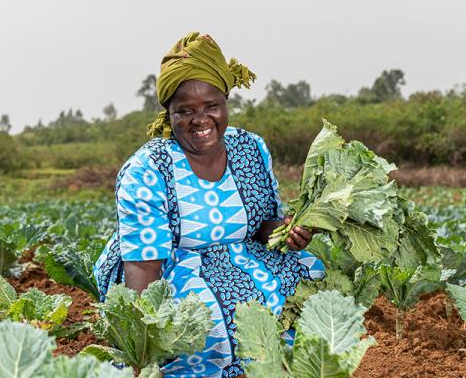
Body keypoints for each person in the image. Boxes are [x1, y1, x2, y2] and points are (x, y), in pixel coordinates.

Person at [94, 32, 324, 378]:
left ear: (226, 103)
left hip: (240, 256)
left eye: (211, 107)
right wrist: (140, 344)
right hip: (168, 268)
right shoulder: (149, 167)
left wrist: (286, 232)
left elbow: (263, 226)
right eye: (184, 110)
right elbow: (144, 267)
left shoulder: (249, 148)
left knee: (312, 275)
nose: (200, 120)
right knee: (213, 313)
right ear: (169, 114)